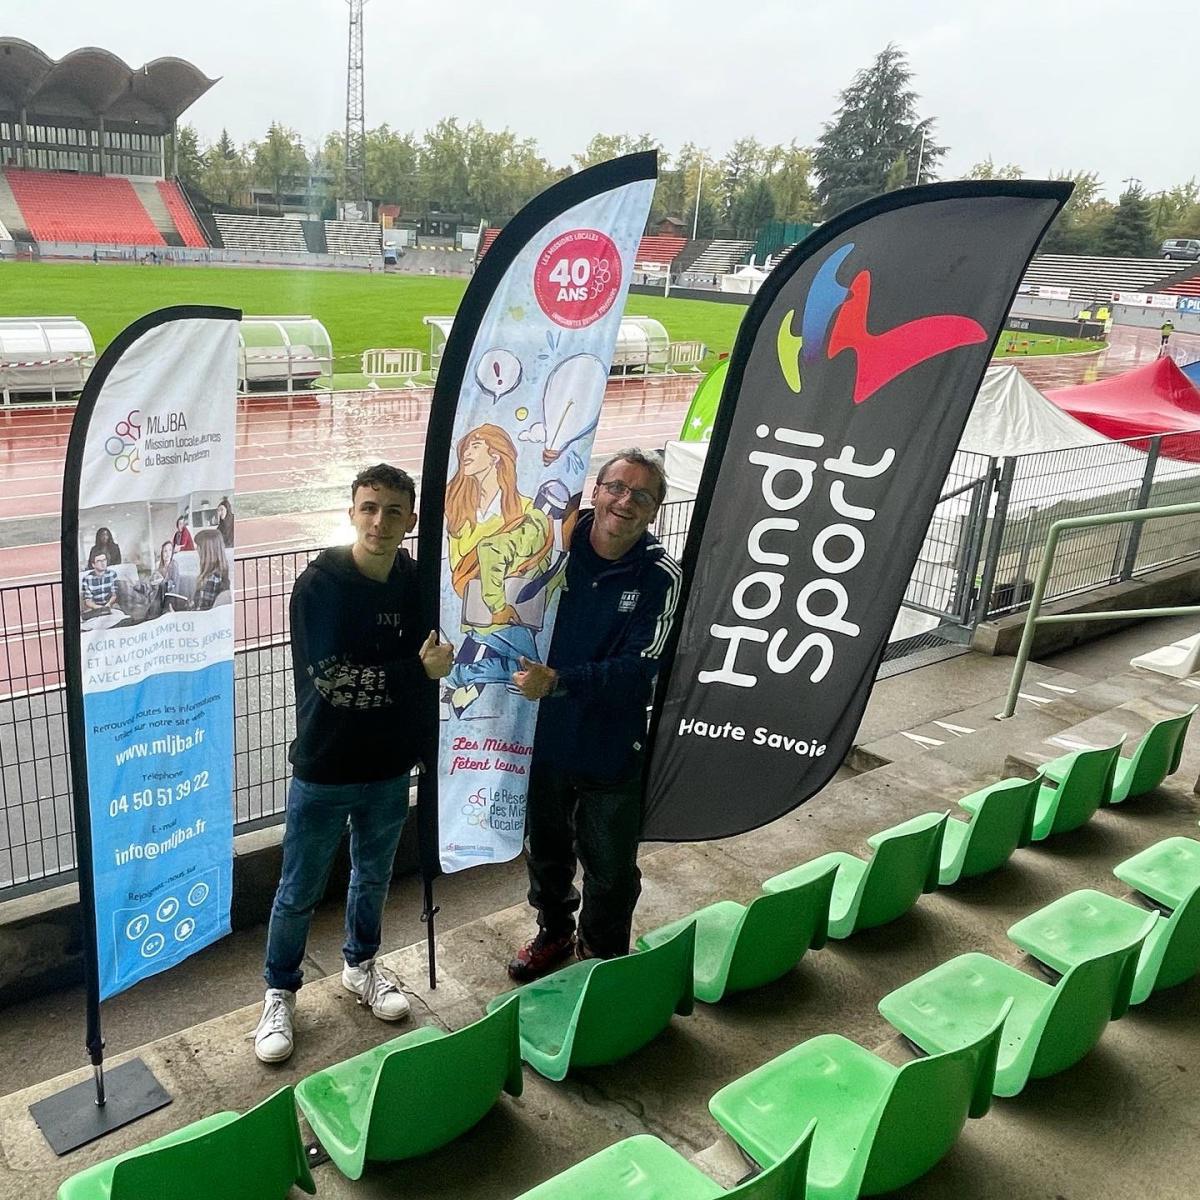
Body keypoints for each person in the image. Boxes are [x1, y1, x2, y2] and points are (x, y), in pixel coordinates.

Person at [254, 463, 454, 1063]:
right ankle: (279, 991)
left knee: (374, 877)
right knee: (297, 891)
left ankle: (361, 965)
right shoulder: (320, 585)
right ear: (351, 512)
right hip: (325, 767)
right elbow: (337, 682)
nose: (380, 521)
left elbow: (436, 664)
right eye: (369, 507)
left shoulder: (418, 583)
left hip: (390, 768)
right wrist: (415, 673)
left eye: (394, 511)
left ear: (412, 520)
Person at [506, 449, 680, 980]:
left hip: (610, 745)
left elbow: (640, 667)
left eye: (641, 495)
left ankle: (601, 959)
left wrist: (559, 681)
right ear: (596, 491)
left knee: (610, 869)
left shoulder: (660, 576)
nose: (624, 501)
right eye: (616, 487)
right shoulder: (554, 545)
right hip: (547, 740)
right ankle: (554, 931)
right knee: (547, 853)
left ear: (654, 511)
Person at [443, 424, 547, 718]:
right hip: (473, 617)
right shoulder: (459, 517)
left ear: (497, 455)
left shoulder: (527, 513)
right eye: (466, 446)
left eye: (476, 445)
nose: (467, 452)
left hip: (508, 621)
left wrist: (498, 604)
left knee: (468, 676)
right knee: (463, 678)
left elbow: (533, 568)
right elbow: (458, 573)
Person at [191, 528, 230, 610]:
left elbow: (199, 612)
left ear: (207, 551)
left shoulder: (210, 579)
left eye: (198, 546)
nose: (196, 549)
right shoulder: (221, 573)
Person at [150, 540, 186, 612]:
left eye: (170, 550)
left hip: (171, 597)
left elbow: (175, 584)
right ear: (162, 553)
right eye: (165, 551)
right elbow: (152, 580)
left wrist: (163, 582)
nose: (168, 553)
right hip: (158, 596)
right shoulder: (159, 566)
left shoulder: (174, 565)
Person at [80, 549, 119, 617]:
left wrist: (108, 605)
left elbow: (114, 595)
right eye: (99, 561)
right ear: (93, 565)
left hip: (111, 606)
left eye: (104, 560)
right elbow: (88, 600)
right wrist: (99, 608)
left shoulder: (112, 574)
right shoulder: (87, 579)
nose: (103, 563)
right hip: (95, 609)